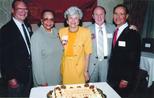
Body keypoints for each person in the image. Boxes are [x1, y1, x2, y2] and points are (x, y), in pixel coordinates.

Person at [0, 0, 33, 97]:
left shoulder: (27, 25)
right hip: (16, 78)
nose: (23, 11)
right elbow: (3, 57)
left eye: (25, 9)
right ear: (12, 10)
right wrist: (11, 78)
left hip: (29, 75)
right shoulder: (6, 30)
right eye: (20, 9)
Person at [107, 4, 141, 97]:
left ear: (126, 16)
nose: (118, 17)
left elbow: (133, 59)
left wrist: (126, 78)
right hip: (112, 75)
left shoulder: (132, 33)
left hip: (123, 78)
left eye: (121, 14)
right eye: (115, 13)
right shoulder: (114, 30)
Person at [59, 6, 92, 84]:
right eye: (70, 18)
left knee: (79, 91)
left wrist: (86, 71)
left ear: (79, 20)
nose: (73, 20)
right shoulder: (61, 32)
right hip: (66, 67)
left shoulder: (86, 32)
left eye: (76, 18)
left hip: (79, 68)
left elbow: (88, 53)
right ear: (67, 21)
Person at [31, 10, 63, 86]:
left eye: (51, 19)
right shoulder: (37, 36)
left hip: (58, 76)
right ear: (41, 21)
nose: (49, 22)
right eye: (46, 19)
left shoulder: (56, 32)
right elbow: (36, 62)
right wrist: (42, 81)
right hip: (46, 79)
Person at [88, 6, 115, 82]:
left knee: (105, 85)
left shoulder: (113, 28)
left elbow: (123, 32)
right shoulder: (87, 29)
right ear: (93, 16)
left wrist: (131, 28)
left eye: (101, 14)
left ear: (105, 15)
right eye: (96, 14)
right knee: (91, 87)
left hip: (106, 63)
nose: (99, 17)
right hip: (92, 63)